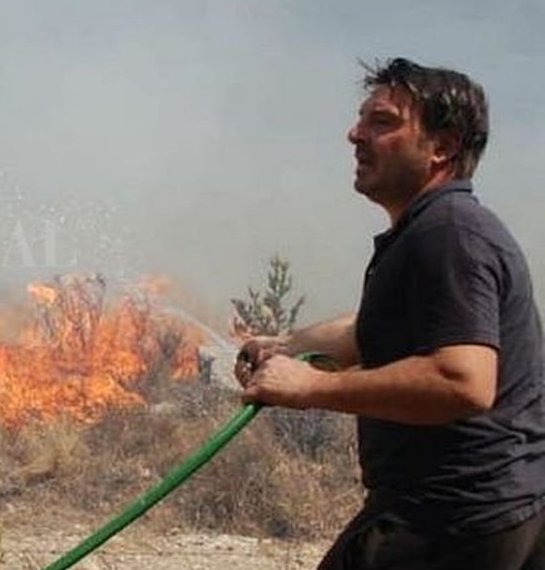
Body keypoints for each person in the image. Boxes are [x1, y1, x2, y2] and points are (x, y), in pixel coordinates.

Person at [234, 57, 545, 569]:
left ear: (441, 148)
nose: (355, 135)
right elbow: (380, 326)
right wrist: (290, 346)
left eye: (382, 123)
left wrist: (311, 388)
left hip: (447, 523)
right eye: (361, 119)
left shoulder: (449, 235)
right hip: (489, 510)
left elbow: (462, 381)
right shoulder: (436, 227)